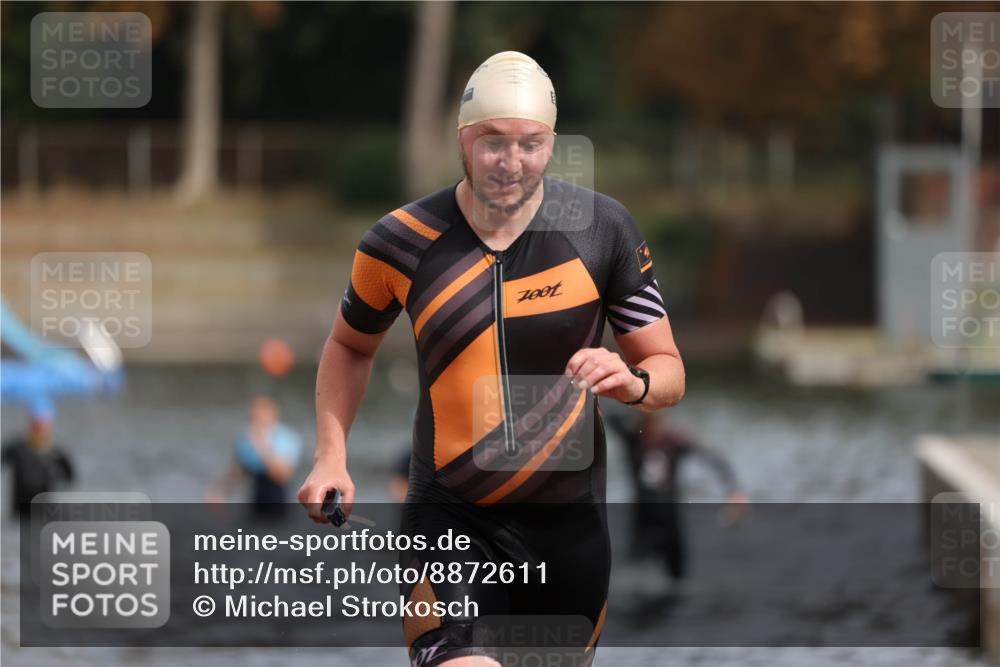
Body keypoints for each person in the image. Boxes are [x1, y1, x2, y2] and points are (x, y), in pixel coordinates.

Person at [298, 51, 685, 667]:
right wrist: (330, 456)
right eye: (492, 143)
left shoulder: (602, 230)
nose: (511, 163)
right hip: (449, 520)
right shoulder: (399, 241)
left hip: (569, 535)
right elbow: (349, 345)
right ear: (462, 141)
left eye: (530, 144)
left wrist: (633, 381)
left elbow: (667, 370)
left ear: (552, 144)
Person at [605, 411, 748, 581]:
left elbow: (714, 460)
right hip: (642, 520)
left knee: (677, 580)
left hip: (671, 520)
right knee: (636, 580)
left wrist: (734, 491)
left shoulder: (673, 441)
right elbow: (609, 415)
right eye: (645, 416)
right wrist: (634, 401)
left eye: (653, 417)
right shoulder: (633, 438)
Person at [206, 395, 301, 519]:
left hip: (280, 502)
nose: (257, 423)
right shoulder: (247, 439)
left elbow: (282, 475)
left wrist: (262, 447)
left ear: (274, 416)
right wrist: (220, 491)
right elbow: (240, 471)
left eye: (261, 418)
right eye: (254, 418)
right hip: (257, 500)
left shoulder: (286, 438)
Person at [1, 401, 74, 517]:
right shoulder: (16, 449)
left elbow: (70, 478)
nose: (39, 431)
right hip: (19, 513)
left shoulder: (56, 454)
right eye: (36, 426)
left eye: (43, 427)